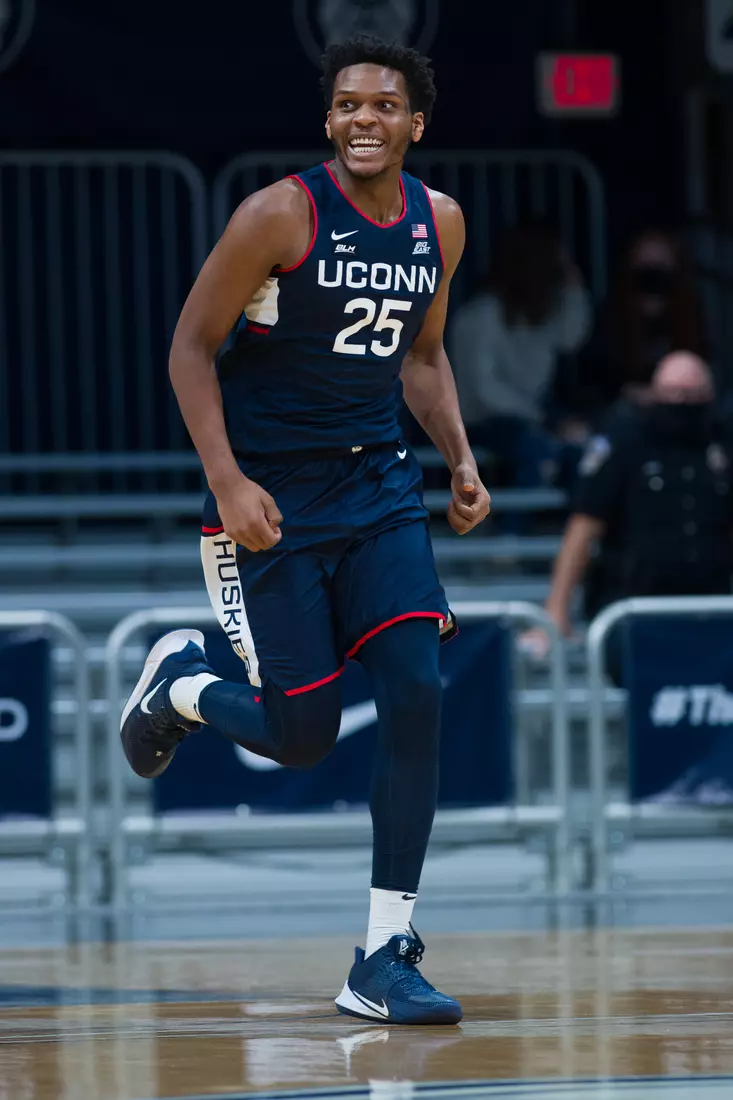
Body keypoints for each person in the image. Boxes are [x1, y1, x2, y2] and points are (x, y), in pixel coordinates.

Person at [119, 35, 490, 1025]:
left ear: (415, 123)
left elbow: (422, 355)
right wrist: (226, 478)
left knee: (417, 687)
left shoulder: (438, 224)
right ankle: (185, 688)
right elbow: (190, 349)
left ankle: (381, 951)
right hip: (268, 500)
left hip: (378, 488)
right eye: (346, 106)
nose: (364, 119)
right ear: (328, 122)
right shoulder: (279, 212)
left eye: (384, 105)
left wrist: (457, 456)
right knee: (302, 735)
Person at [526, 352, 730, 663]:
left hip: (713, 608)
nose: (681, 403)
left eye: (691, 395)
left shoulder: (722, 444)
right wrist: (556, 609)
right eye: (673, 393)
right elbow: (583, 529)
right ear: (654, 394)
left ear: (709, 396)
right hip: (634, 610)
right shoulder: (625, 443)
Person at [449, 222, 592, 490]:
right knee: (538, 449)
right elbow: (485, 391)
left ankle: (575, 525)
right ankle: (513, 529)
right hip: (481, 420)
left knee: (585, 445)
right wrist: (543, 418)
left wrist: (574, 284)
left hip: (534, 413)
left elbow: (572, 337)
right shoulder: (482, 314)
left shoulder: (544, 312)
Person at [575, 229, 708, 420]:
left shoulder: (689, 315)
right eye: (644, 268)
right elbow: (592, 384)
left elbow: (702, 370)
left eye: (661, 267)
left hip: (682, 417)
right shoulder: (609, 319)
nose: (652, 277)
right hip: (624, 418)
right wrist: (627, 393)